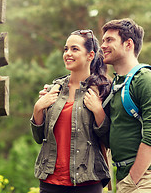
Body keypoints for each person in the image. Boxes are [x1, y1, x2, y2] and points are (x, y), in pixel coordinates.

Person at [30, 29, 111, 193]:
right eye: (66, 49)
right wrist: (38, 108)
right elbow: (39, 138)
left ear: (90, 55)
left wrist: (99, 112)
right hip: (50, 181)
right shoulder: (54, 89)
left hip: (87, 182)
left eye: (75, 49)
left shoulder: (102, 91)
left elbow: (109, 141)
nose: (67, 53)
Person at [99, 18, 151, 192]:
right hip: (125, 177)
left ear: (128, 44)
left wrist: (132, 179)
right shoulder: (116, 84)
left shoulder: (146, 78)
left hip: (147, 177)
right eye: (103, 41)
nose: (103, 46)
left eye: (109, 40)